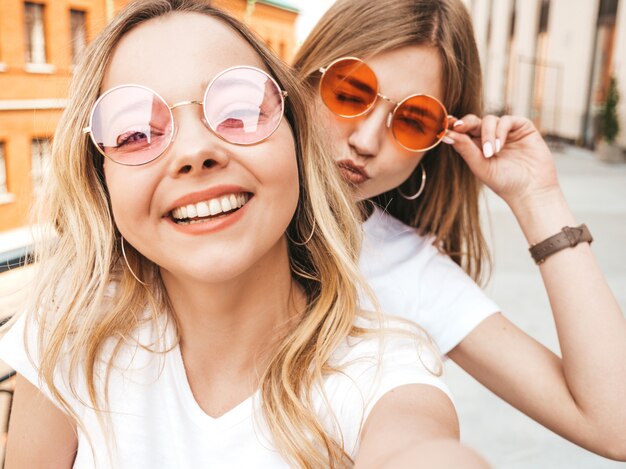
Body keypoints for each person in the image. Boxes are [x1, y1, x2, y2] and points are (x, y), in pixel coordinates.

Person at [0, 1, 493, 468]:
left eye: (238, 111)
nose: (195, 150)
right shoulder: (65, 335)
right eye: (133, 133)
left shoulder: (385, 372)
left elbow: (420, 446)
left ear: (299, 144)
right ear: (100, 180)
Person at [293, 0, 626, 460]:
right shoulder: (207, 205)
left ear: (439, 140)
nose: (366, 141)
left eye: (412, 121)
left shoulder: (411, 270)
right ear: (304, 79)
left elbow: (616, 423)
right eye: (350, 94)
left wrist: (538, 198)